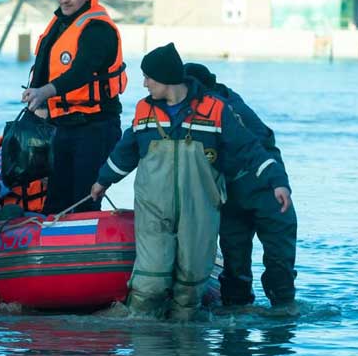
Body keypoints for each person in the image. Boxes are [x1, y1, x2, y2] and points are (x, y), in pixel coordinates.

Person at [91, 43, 291, 320]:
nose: (144, 83)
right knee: (150, 281)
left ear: (166, 78)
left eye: (149, 77)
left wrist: (277, 182)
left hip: (201, 212)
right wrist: (103, 181)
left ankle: (190, 335)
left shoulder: (217, 111)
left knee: (191, 284)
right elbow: (126, 151)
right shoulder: (144, 111)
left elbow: (251, 149)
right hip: (155, 210)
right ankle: (145, 335)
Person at [184, 62, 298, 315]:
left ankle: (279, 307)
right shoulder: (209, 106)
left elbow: (261, 147)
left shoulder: (227, 110)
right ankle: (249, 307)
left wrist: (279, 183)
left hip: (265, 191)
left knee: (276, 260)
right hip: (233, 195)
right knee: (235, 262)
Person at [21, 0, 127, 214]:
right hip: (63, 126)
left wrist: (45, 92)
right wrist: (34, 98)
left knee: (84, 198)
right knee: (56, 199)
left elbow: (81, 71)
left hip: (95, 126)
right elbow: (44, 63)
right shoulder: (59, 23)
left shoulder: (98, 29)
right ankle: (50, 246)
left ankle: (85, 248)